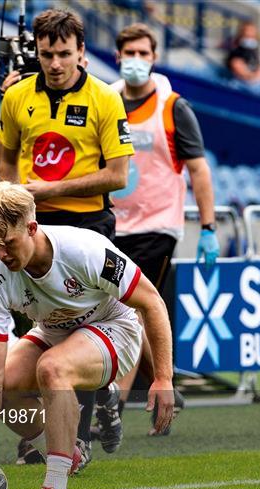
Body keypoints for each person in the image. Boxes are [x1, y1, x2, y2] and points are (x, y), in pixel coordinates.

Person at [0, 182, 175, 489]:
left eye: (8, 243)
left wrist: (163, 377)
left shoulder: (85, 249)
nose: (1, 255)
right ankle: (70, 451)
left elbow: (151, 301)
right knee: (7, 385)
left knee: (52, 368)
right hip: (56, 331)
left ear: (32, 228)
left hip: (116, 329)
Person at [0, 8, 134, 467]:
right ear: (37, 50)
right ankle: (51, 423)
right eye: (48, 53)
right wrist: (13, 202)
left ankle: (76, 441)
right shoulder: (17, 98)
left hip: (88, 227)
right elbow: (5, 158)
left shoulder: (106, 99)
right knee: (31, 325)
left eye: (64, 54)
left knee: (79, 328)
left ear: (82, 52)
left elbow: (118, 176)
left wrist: (48, 189)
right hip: (33, 225)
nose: (55, 63)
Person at [92, 22, 220, 445]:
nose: (136, 61)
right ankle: (164, 388)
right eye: (129, 53)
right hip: (112, 225)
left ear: (154, 57)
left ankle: (109, 408)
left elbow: (199, 169)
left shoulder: (173, 106)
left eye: (143, 53)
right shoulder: (104, 100)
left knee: (128, 312)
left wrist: (207, 227)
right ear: (117, 56)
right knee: (120, 313)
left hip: (157, 226)